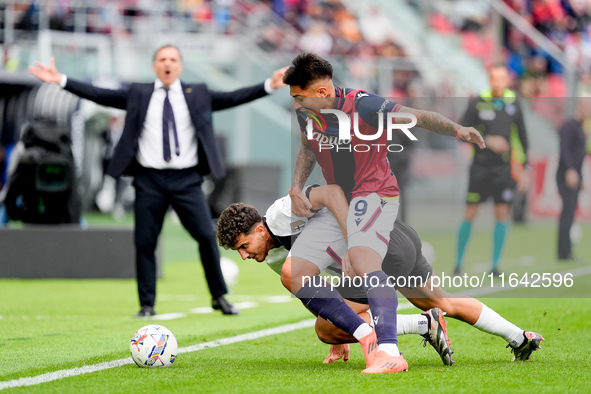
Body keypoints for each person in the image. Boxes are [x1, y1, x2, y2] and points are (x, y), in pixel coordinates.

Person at [28, 45, 287, 317]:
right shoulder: (139, 93)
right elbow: (101, 94)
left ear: (180, 66)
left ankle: (219, 296)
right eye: (162, 59)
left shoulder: (195, 93)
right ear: (154, 66)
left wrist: (269, 84)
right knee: (145, 242)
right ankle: (147, 304)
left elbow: (232, 97)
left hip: (186, 179)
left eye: (173, 59)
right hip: (149, 179)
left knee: (204, 235)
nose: (168, 63)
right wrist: (62, 81)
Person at [284, 53, 486, 373]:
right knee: (292, 273)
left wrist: (457, 129)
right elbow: (308, 147)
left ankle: (389, 352)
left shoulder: (365, 105)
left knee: (365, 263)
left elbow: (418, 116)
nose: (295, 104)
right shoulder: (308, 113)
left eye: (298, 97)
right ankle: (515, 336)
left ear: (321, 92)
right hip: (340, 203)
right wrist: (296, 185)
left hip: (373, 193)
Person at [217, 184, 545, 365]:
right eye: (238, 253)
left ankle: (421, 325)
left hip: (381, 245)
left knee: (325, 328)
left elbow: (331, 193)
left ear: (260, 228)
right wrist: (337, 338)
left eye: (245, 245)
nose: (246, 256)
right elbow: (317, 295)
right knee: (444, 301)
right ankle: (520, 337)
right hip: (396, 243)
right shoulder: (276, 257)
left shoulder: (282, 213)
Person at [454, 64, 529, 277]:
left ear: (507, 81)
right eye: (494, 78)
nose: (498, 82)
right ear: (489, 79)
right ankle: (458, 264)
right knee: (470, 212)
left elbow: (523, 139)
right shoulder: (477, 102)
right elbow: (460, 130)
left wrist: (525, 169)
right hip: (480, 167)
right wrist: (487, 140)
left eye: (502, 78)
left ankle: (495, 266)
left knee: (502, 213)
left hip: (503, 169)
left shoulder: (514, 103)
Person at [556, 100, 590, 260]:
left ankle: (566, 249)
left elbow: (578, 154)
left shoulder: (580, 127)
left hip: (575, 173)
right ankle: (563, 251)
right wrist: (570, 170)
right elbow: (565, 149)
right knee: (567, 211)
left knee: (570, 211)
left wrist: (579, 175)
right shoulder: (569, 125)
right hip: (566, 173)